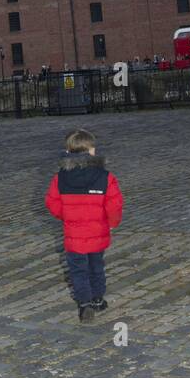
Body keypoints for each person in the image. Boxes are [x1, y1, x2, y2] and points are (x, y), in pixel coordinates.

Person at [44, 128, 124, 323]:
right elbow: (115, 204)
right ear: (91, 151)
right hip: (98, 232)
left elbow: (51, 202)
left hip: (74, 235)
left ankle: (84, 304)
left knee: (78, 270)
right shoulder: (105, 177)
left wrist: (68, 216)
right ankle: (98, 298)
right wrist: (112, 222)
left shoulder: (61, 177)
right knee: (96, 266)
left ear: (69, 152)